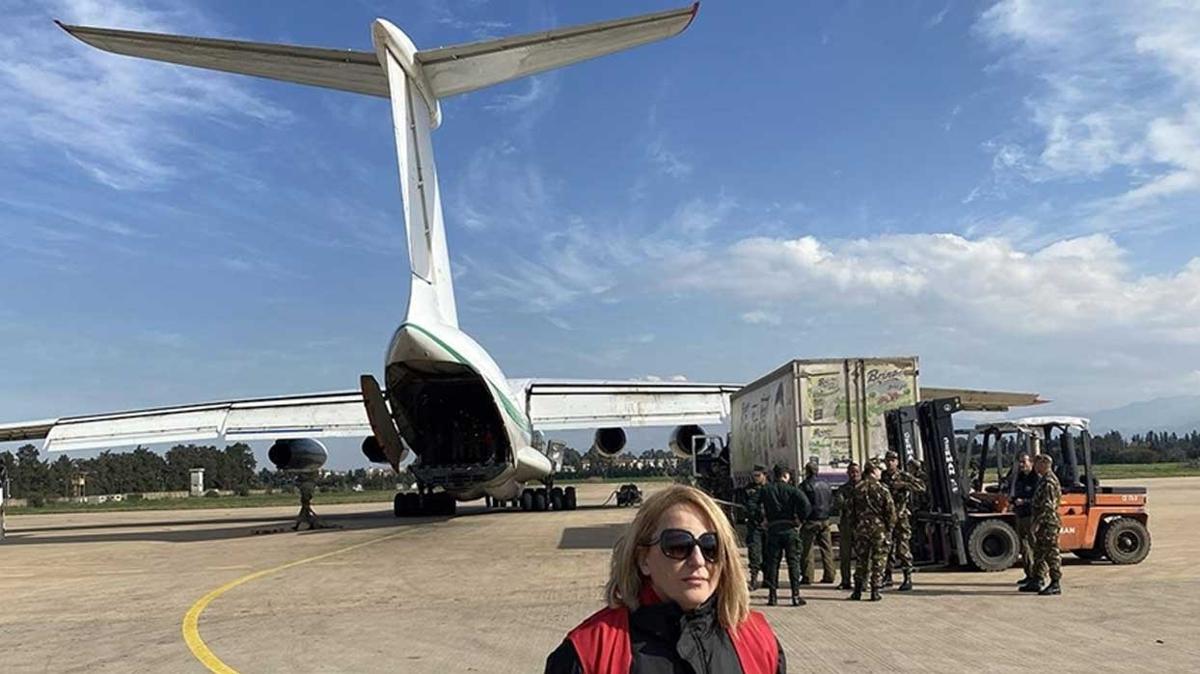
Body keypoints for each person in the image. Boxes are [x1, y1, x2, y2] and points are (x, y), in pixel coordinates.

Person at [544, 484, 787, 673]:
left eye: (711, 547)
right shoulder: (587, 652)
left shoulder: (759, 639)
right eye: (679, 545)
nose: (699, 560)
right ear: (643, 560)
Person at [760, 465, 811, 606]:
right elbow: (806, 505)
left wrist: (760, 519)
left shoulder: (766, 490)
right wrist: (801, 519)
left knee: (773, 563)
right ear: (786, 475)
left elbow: (751, 504)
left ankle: (772, 596)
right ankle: (795, 596)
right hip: (789, 529)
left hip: (773, 529)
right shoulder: (793, 490)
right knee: (793, 563)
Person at [847, 461, 895, 601]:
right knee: (878, 559)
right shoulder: (882, 489)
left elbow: (851, 511)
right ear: (873, 470)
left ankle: (857, 590)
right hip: (879, 529)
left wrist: (855, 526)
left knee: (861, 560)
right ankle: (875, 591)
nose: (881, 472)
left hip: (862, 528)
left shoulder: (857, 488)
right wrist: (889, 528)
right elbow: (890, 512)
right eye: (879, 469)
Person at [880, 452, 926, 592]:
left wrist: (905, 485)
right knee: (887, 547)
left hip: (901, 518)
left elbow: (922, 487)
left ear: (897, 462)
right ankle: (887, 576)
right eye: (888, 460)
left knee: (903, 548)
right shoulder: (883, 476)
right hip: (887, 518)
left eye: (893, 460)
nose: (890, 463)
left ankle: (908, 578)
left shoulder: (903, 475)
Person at [1021, 454, 1063, 596]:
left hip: (1048, 523)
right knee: (1039, 552)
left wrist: (1037, 523)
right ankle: (1037, 580)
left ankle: (1055, 583)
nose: (1035, 467)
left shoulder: (1049, 482)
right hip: (1042, 523)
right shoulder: (1042, 480)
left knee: (1051, 553)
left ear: (1045, 464)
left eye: (1038, 464)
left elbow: (1048, 506)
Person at [797, 463, 835, 585]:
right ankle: (830, 575)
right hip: (825, 520)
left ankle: (808, 576)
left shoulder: (804, 486)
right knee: (827, 549)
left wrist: (802, 518)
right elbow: (831, 502)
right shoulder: (826, 485)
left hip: (811, 520)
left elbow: (802, 504)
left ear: (807, 471)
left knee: (807, 550)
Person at [1009, 452, 1039, 585]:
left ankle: (1039, 576)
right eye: (1020, 462)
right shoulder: (1019, 478)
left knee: (1034, 546)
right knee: (1024, 547)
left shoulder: (1036, 478)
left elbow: (1039, 499)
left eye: (1024, 462)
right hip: (1020, 515)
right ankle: (1029, 574)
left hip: (1031, 515)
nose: (1021, 465)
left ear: (1031, 463)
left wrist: (1025, 501)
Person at [835, 462, 861, 590]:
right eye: (851, 472)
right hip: (846, 525)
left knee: (862, 556)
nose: (854, 474)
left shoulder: (865, 488)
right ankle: (845, 580)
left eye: (856, 472)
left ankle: (861, 580)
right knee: (845, 556)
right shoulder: (843, 489)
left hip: (862, 526)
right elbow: (839, 503)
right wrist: (854, 501)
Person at [743, 465, 768, 590]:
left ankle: (768, 579)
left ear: (764, 475)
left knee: (768, 553)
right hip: (754, 525)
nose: (756, 478)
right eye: (754, 476)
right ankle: (753, 579)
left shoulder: (770, 488)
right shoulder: (748, 489)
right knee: (754, 553)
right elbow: (745, 505)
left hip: (768, 526)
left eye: (758, 475)